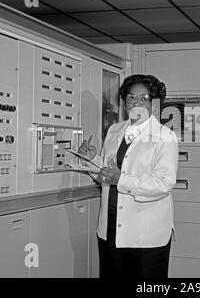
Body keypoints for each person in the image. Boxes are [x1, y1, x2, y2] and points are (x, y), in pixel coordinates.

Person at [78, 74, 179, 278]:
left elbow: (164, 183)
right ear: (124, 101)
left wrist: (121, 180)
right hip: (111, 227)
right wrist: (92, 159)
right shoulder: (115, 130)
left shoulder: (165, 136)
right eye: (132, 97)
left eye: (144, 98)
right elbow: (106, 174)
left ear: (154, 103)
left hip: (145, 233)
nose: (137, 103)